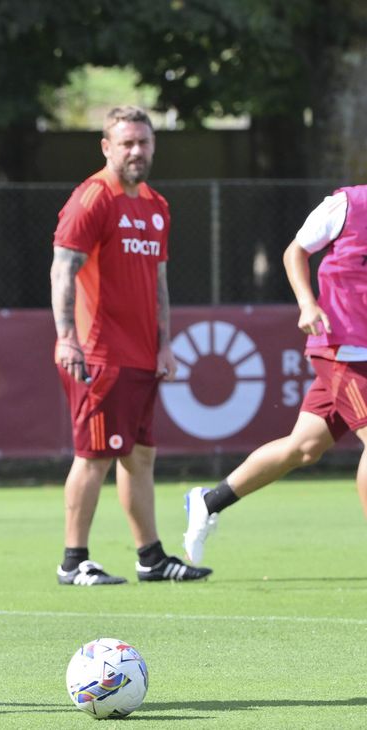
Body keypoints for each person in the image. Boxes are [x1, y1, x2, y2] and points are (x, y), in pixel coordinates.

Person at [49, 106, 212, 586]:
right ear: (107, 147)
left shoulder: (156, 205)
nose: (136, 151)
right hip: (98, 353)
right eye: (126, 143)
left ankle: (151, 557)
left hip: (141, 355)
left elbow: (158, 282)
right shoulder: (92, 198)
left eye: (143, 142)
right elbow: (63, 270)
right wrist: (67, 339)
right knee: (95, 455)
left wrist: (164, 345)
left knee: (140, 456)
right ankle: (73, 560)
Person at [183, 185, 367, 563]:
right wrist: (306, 304)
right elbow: (295, 251)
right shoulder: (348, 203)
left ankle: (208, 500)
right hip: (342, 346)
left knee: (304, 448)